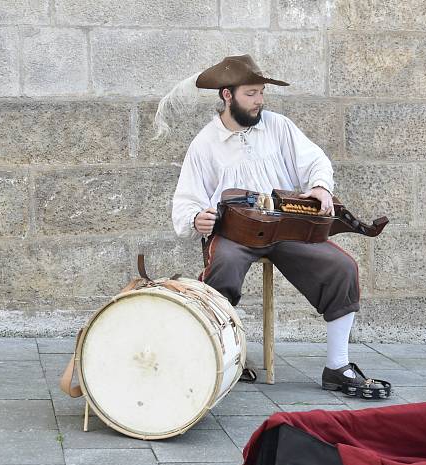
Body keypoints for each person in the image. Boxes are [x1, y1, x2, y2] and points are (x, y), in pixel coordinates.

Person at [163, 54, 388, 399]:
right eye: (251, 94)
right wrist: (196, 218)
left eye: (261, 93)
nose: (259, 101)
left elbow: (315, 160)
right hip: (233, 233)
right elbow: (187, 200)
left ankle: (338, 367)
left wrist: (320, 186)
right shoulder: (205, 143)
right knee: (223, 269)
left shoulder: (279, 127)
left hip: (285, 228)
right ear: (227, 95)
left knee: (341, 267)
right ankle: (213, 356)